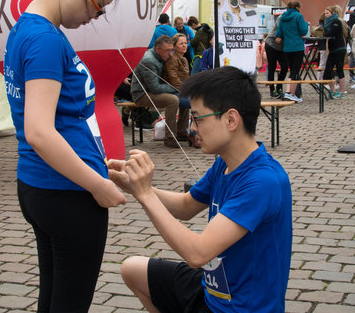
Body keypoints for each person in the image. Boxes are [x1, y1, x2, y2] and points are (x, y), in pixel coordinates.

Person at [3, 0, 127, 312]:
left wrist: (97, 165)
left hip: (47, 186)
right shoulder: (44, 40)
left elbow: (56, 119)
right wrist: (97, 184)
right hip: (67, 194)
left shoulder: (29, 30)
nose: (96, 15)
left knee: (56, 300)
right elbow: (39, 131)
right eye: (98, 3)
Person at [108, 66, 293, 313]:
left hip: (241, 308)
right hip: (212, 290)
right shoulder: (225, 162)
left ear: (230, 119)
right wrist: (134, 186)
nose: (193, 128)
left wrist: (146, 194)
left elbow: (198, 254)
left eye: (198, 118)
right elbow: (186, 206)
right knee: (133, 269)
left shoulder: (263, 181)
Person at [131, 35, 185, 148]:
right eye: (167, 51)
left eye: (171, 50)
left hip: (152, 91)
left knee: (184, 98)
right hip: (142, 94)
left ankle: (182, 132)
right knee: (173, 100)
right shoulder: (149, 60)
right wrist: (176, 88)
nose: (170, 54)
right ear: (157, 49)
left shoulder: (161, 56)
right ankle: (170, 137)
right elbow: (155, 88)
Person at [276, 0, 309, 103]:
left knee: (291, 70)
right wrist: (306, 25)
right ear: (297, 7)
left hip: (287, 48)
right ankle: (292, 94)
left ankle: (288, 92)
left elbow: (279, 32)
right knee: (295, 71)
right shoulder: (298, 16)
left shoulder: (282, 17)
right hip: (297, 46)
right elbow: (303, 31)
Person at [162, 33, 190, 141]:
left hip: (180, 90)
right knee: (192, 102)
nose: (184, 45)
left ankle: (182, 131)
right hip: (170, 90)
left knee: (192, 99)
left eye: (185, 43)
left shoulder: (184, 59)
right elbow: (174, 80)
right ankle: (173, 135)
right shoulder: (172, 59)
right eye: (181, 43)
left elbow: (187, 79)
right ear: (174, 46)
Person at [323, 5, 348, 98]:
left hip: (339, 48)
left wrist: (323, 31)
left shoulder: (336, 22)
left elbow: (330, 33)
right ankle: (333, 91)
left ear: (332, 13)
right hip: (332, 49)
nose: (326, 15)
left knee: (339, 69)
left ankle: (341, 92)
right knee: (328, 71)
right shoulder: (327, 23)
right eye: (325, 13)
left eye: (327, 13)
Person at [265, 15, 287, 97]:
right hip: (271, 44)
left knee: (285, 66)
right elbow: (280, 27)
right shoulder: (281, 17)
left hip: (281, 47)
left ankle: (279, 86)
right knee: (272, 66)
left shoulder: (296, 19)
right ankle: (272, 89)